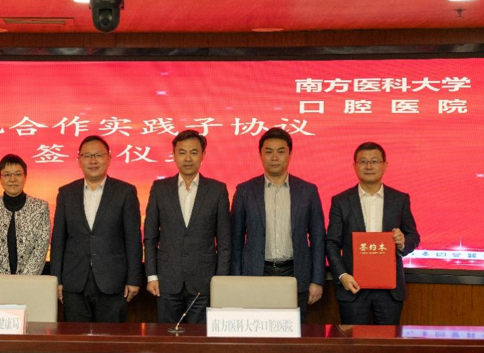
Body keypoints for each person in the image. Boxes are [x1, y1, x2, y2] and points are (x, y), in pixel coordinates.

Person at [230, 127, 325, 323]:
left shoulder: (308, 191)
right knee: (257, 330)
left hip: (295, 273)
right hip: (256, 273)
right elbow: (235, 242)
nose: (274, 157)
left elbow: (318, 239)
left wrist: (317, 280)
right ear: (260, 155)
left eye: (281, 151)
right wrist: (236, 280)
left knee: (294, 332)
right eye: (269, 151)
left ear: (290, 154)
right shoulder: (245, 191)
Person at [50, 135, 142, 323]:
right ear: (79, 160)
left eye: (98, 155)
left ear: (109, 159)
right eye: (87, 156)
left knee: (110, 337)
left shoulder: (125, 192)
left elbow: (133, 239)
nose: (93, 161)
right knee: (76, 338)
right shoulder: (66, 193)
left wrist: (133, 279)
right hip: (74, 281)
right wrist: (56, 280)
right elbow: (58, 240)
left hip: (113, 281)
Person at [326, 142, 420, 325]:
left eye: (374, 161)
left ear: (385, 165)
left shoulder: (399, 199)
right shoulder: (341, 201)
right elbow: (331, 243)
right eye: (363, 161)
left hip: (389, 290)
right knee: (353, 341)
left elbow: (413, 236)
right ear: (355, 166)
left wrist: (402, 242)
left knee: (387, 341)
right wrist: (342, 275)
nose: (368, 166)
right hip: (353, 286)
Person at [144, 130, 231, 324]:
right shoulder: (160, 189)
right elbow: (150, 237)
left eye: (194, 152)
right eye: (182, 152)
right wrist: (151, 276)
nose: (188, 158)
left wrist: (221, 281)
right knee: (167, 337)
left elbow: (225, 242)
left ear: (203, 155)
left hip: (204, 281)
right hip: (167, 280)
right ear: (174, 155)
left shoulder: (217, 190)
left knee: (201, 338)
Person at [0, 154, 50, 275]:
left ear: (25, 177)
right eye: (7, 175)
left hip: (29, 281)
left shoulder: (40, 208)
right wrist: (0, 279)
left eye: (18, 174)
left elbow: (41, 248)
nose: (12, 179)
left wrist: (24, 280)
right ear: (0, 178)